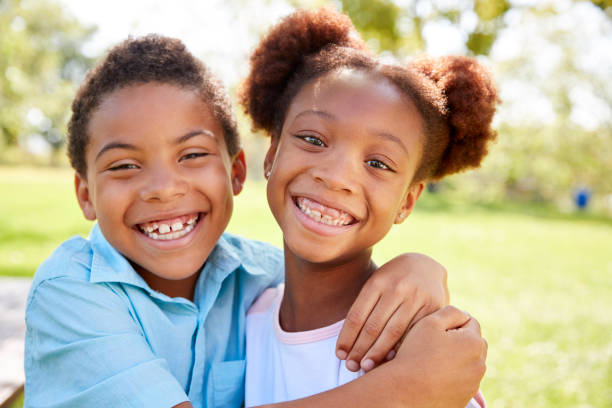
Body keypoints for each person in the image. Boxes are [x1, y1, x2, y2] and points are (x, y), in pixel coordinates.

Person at [24, 35, 486, 408]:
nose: (163, 189)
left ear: (237, 170)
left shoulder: (256, 282)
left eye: (192, 154)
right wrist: (410, 390)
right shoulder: (72, 291)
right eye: (124, 165)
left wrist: (419, 268)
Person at [240, 8, 497, 408]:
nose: (337, 176)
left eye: (378, 163)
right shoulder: (245, 314)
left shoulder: (422, 354)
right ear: (271, 154)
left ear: (407, 202)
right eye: (313, 139)